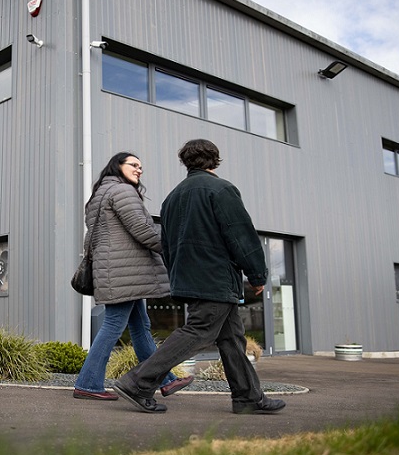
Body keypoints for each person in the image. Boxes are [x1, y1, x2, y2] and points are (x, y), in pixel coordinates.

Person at [113, 139, 286, 414]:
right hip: (215, 278)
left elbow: (167, 245)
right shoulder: (221, 190)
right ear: (215, 160)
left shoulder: (172, 198)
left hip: (190, 278)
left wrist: (178, 275)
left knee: (232, 338)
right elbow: (241, 235)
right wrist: (256, 273)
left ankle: (248, 398)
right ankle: (137, 383)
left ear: (186, 162)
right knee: (198, 331)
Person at [73, 152, 194, 401]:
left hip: (118, 271)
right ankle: (88, 384)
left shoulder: (100, 194)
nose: (139, 169)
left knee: (140, 327)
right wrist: (172, 249)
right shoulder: (122, 191)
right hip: (124, 272)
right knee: (113, 326)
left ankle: (166, 380)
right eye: (134, 165)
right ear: (117, 166)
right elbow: (142, 228)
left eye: (141, 166)